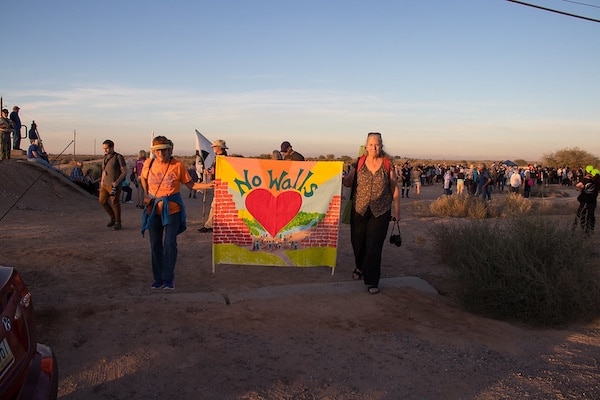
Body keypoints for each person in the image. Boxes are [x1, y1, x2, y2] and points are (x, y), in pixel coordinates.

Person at [140, 135, 213, 290]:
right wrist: (148, 195)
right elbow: (143, 179)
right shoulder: (148, 163)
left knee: (170, 244)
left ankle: (167, 278)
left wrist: (208, 185)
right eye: (157, 151)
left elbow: (191, 185)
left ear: (169, 150)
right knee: (155, 245)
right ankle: (158, 278)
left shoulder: (177, 165)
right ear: (153, 152)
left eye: (164, 150)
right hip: (153, 210)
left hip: (172, 210)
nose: (161, 154)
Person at [342, 132, 400, 294]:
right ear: (366, 146)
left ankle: (372, 280)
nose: (374, 147)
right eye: (371, 144)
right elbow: (348, 183)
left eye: (377, 144)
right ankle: (360, 266)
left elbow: (394, 188)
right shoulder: (358, 163)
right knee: (358, 242)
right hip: (359, 209)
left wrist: (397, 210)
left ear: (381, 146)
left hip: (380, 211)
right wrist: (340, 177)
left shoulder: (388, 164)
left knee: (374, 245)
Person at [198, 139, 228, 233]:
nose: (213, 148)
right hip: (218, 183)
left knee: (215, 205)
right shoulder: (219, 158)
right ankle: (212, 224)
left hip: (221, 184)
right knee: (216, 205)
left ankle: (209, 225)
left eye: (214, 147)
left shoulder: (222, 158)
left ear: (219, 148)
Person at [99, 139, 127, 231]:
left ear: (112, 147)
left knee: (115, 203)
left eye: (106, 148)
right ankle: (113, 217)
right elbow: (104, 171)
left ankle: (118, 222)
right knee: (102, 201)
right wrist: (102, 182)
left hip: (114, 184)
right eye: (104, 149)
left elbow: (124, 171)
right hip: (105, 184)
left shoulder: (118, 157)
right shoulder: (105, 157)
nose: (105, 150)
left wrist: (117, 182)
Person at [573, 166, 599, 236]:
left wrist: (581, 188)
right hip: (592, 201)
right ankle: (589, 230)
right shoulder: (597, 182)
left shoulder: (585, 180)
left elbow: (577, 186)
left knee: (580, 214)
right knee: (591, 216)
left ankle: (576, 228)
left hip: (584, 200)